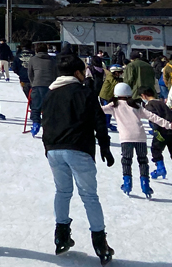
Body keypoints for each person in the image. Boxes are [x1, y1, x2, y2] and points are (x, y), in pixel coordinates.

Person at [41, 53, 114, 264]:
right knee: (89, 196)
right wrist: (105, 147)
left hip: (54, 149)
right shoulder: (85, 93)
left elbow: (46, 122)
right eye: (83, 72)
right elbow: (99, 121)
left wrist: (48, 147)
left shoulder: (49, 94)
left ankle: (61, 236)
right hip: (78, 148)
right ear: (76, 73)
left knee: (62, 192)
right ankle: (100, 243)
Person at [102, 82, 172, 197]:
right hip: (140, 137)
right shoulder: (136, 105)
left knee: (126, 160)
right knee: (143, 161)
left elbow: (99, 110)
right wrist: (169, 125)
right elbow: (152, 117)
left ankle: (127, 184)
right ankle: (145, 185)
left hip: (126, 138)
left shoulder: (114, 106)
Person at [139, 87, 172, 184]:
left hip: (162, 131)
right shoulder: (162, 103)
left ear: (143, 96)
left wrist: (155, 130)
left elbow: (154, 118)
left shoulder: (150, 105)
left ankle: (160, 169)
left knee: (155, 150)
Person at [28, 43, 58, 136]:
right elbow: (55, 73)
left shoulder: (33, 59)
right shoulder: (52, 60)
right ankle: (49, 126)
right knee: (49, 107)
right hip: (50, 86)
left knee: (35, 106)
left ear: (36, 50)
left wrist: (33, 83)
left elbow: (30, 73)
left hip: (37, 84)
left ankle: (36, 124)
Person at [99, 65, 124, 132]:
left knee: (110, 111)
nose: (120, 74)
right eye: (119, 72)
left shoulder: (116, 77)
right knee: (107, 110)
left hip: (111, 96)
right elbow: (115, 83)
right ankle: (105, 124)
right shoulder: (110, 76)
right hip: (105, 96)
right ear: (114, 72)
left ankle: (107, 123)